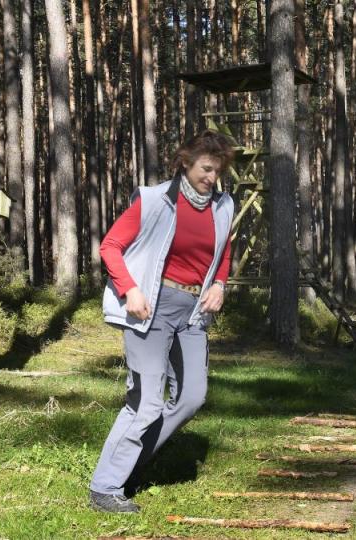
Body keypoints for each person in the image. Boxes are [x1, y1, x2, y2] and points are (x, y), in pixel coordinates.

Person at [89, 130, 236, 513]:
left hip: (192, 312)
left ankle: (132, 465)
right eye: (205, 169)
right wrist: (130, 290)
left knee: (190, 397)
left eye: (217, 171)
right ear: (186, 163)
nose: (211, 178)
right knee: (147, 402)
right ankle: (106, 486)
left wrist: (220, 283)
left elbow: (222, 251)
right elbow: (110, 246)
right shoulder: (155, 200)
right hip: (150, 308)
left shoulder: (223, 206)